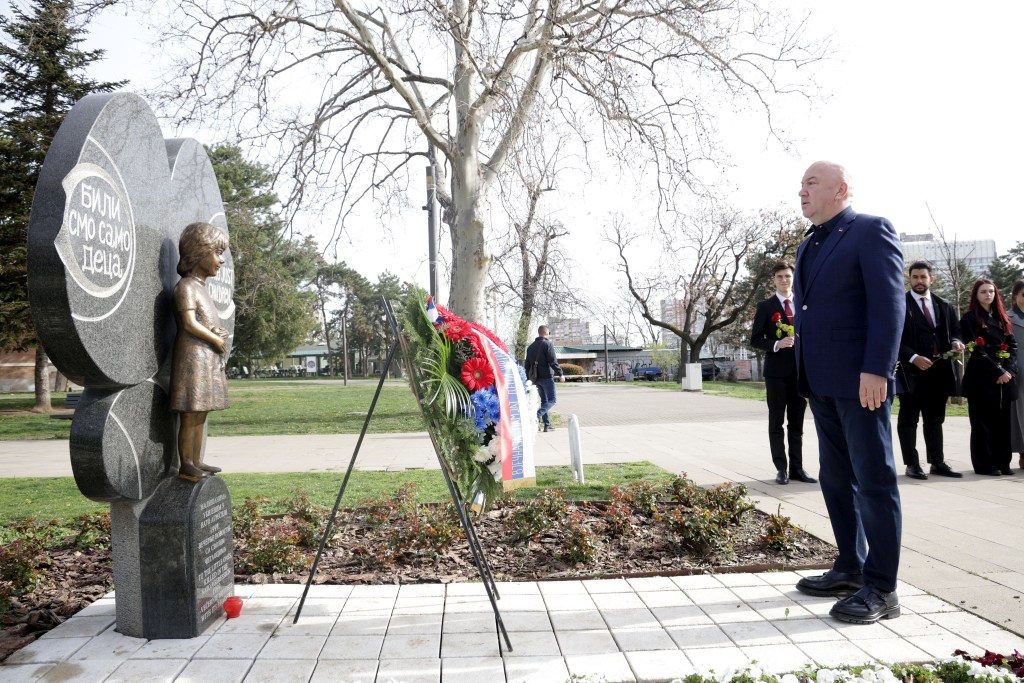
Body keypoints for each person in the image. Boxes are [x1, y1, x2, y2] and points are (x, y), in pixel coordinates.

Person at [791, 161, 905, 625]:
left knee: (874, 481)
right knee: (836, 479)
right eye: (801, 185)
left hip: (862, 383)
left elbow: (889, 304)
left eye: (811, 183)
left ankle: (883, 588)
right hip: (821, 383)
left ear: (840, 189)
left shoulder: (870, 230)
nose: (802, 191)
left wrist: (877, 368)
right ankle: (850, 567)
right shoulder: (807, 244)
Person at [170, 222, 231, 482]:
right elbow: (188, 324)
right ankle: (186, 464)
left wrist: (217, 332)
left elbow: (202, 322)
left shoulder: (201, 288)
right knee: (190, 413)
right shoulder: (186, 287)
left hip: (205, 357)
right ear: (199, 253)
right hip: (192, 358)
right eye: (217, 253)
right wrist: (214, 339)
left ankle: (196, 460)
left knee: (201, 412)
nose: (221, 260)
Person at [894, 261, 964, 480]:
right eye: (915, 277)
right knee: (909, 420)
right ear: (909, 279)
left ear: (931, 279)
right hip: (911, 372)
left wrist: (955, 341)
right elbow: (894, 337)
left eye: (923, 277)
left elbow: (956, 331)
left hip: (939, 371)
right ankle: (912, 464)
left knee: (935, 419)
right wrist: (913, 357)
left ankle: (937, 462)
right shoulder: (899, 304)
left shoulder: (944, 304)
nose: (919, 281)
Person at [750, 261, 814, 485]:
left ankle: (797, 468)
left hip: (800, 373)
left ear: (793, 278)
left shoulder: (804, 304)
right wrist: (777, 344)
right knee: (776, 422)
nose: (784, 280)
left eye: (787, 276)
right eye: (780, 276)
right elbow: (755, 339)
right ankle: (781, 469)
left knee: (797, 424)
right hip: (776, 374)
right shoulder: (766, 306)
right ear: (774, 279)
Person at [959, 279, 1018, 476]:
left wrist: (1009, 371)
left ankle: (1003, 462)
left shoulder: (1003, 318)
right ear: (976, 295)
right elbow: (976, 350)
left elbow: (1013, 346)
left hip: (1004, 380)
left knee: (1002, 423)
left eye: (991, 291)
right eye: (983, 291)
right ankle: (985, 464)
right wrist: (997, 371)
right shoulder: (969, 319)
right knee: (982, 424)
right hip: (981, 378)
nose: (988, 295)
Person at [524, 325, 564, 432]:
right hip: (547, 377)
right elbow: (553, 361)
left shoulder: (530, 347)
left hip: (536, 379)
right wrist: (560, 374)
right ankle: (538, 414)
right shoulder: (548, 344)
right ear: (546, 333)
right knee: (552, 400)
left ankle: (547, 425)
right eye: (549, 333)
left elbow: (527, 365)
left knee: (544, 400)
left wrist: (528, 379)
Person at [1010, 280, 1024, 470]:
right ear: (1015, 296)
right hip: (1018, 368)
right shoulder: (1007, 317)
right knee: (1020, 411)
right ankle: (1022, 452)